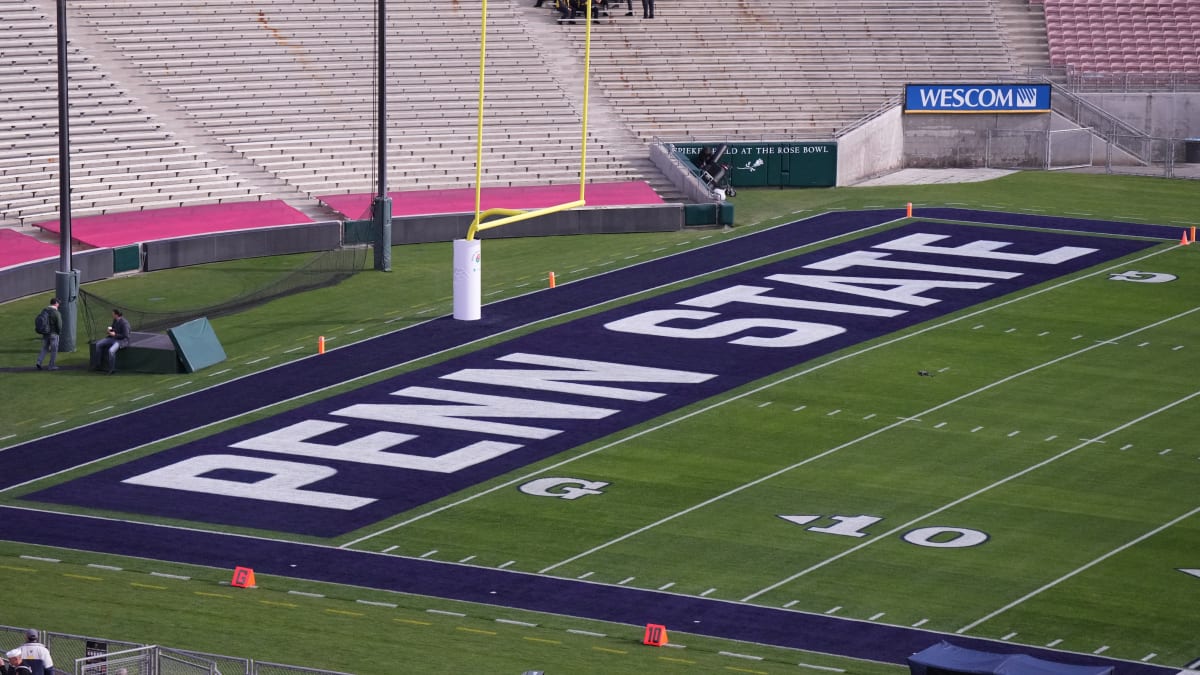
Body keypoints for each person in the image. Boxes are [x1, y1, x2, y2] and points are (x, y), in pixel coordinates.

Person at [95, 308, 131, 375]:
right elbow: (113, 328)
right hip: (113, 338)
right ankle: (98, 365)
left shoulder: (124, 323)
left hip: (121, 341)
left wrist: (115, 334)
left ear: (116, 315)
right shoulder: (115, 320)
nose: (112, 315)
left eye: (113, 314)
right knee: (98, 344)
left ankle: (112, 369)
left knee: (111, 351)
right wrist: (110, 330)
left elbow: (125, 335)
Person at [35, 297, 62, 371]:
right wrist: (59, 333)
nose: (59, 304)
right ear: (56, 303)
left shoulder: (44, 310)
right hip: (54, 334)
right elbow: (59, 325)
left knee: (44, 348)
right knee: (54, 350)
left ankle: (39, 362)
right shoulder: (56, 313)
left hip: (45, 333)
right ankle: (51, 366)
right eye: (58, 303)